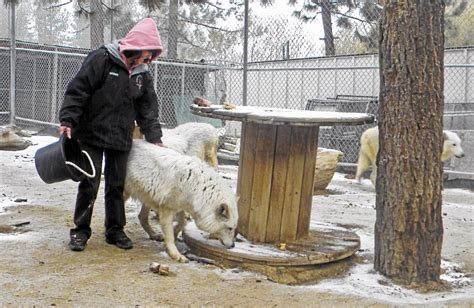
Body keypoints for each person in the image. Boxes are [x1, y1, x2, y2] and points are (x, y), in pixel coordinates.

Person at [59, 18, 165, 252]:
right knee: (90, 181)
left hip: (120, 136)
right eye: (148, 54)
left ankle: (115, 230)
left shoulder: (141, 74)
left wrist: (154, 137)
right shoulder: (102, 59)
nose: (150, 60)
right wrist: (68, 119)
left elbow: (148, 108)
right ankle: (80, 231)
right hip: (92, 132)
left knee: (117, 185)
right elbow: (79, 89)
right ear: (137, 47)